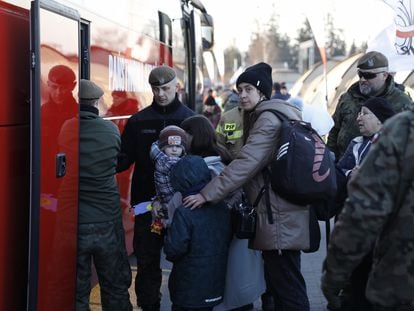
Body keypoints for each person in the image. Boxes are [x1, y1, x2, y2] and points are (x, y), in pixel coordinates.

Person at [183, 62, 310, 310]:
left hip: (279, 217)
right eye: (239, 89)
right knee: (282, 283)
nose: (241, 95)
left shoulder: (268, 120)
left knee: (288, 287)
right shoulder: (277, 114)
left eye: (248, 89)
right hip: (282, 213)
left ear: (262, 92)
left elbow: (245, 164)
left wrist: (206, 194)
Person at [117, 65, 194, 311]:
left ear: (176, 86)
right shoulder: (138, 121)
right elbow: (123, 158)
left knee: (183, 261)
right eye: (156, 89)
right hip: (144, 206)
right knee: (146, 262)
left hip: (181, 206)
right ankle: (149, 307)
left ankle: (181, 304)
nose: (161, 93)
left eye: (166, 88)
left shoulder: (191, 120)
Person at [321, 106, 414, 310]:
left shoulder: (404, 130)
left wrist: (333, 277)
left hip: (401, 285)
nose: (359, 118)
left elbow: (363, 214)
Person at [180, 114, 266, 311]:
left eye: (185, 136)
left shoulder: (205, 167)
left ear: (195, 136)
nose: (182, 142)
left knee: (226, 287)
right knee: (237, 285)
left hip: (218, 237)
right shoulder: (224, 158)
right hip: (234, 233)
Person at [74, 80, 132, 310]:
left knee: (77, 288)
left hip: (76, 221)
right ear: (97, 102)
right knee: (114, 283)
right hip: (107, 219)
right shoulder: (110, 130)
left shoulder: (67, 128)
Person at [333, 97, 396, 311]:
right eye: (359, 113)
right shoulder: (357, 143)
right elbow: (340, 172)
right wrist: (354, 173)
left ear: (380, 120)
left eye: (365, 113)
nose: (359, 118)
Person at [164, 155, 232, 311]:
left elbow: (175, 248)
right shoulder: (221, 207)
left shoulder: (185, 212)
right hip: (214, 283)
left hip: (187, 286)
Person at [327, 51, 412, 161]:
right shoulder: (348, 98)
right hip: (343, 168)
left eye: (369, 76)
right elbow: (334, 131)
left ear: (384, 75)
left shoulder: (401, 102)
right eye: (360, 74)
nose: (362, 80)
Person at [149, 125, 187, 234]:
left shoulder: (157, 158)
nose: (174, 150)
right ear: (163, 148)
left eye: (178, 146)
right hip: (175, 209)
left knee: (158, 233)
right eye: (170, 146)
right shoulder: (178, 163)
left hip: (160, 206)